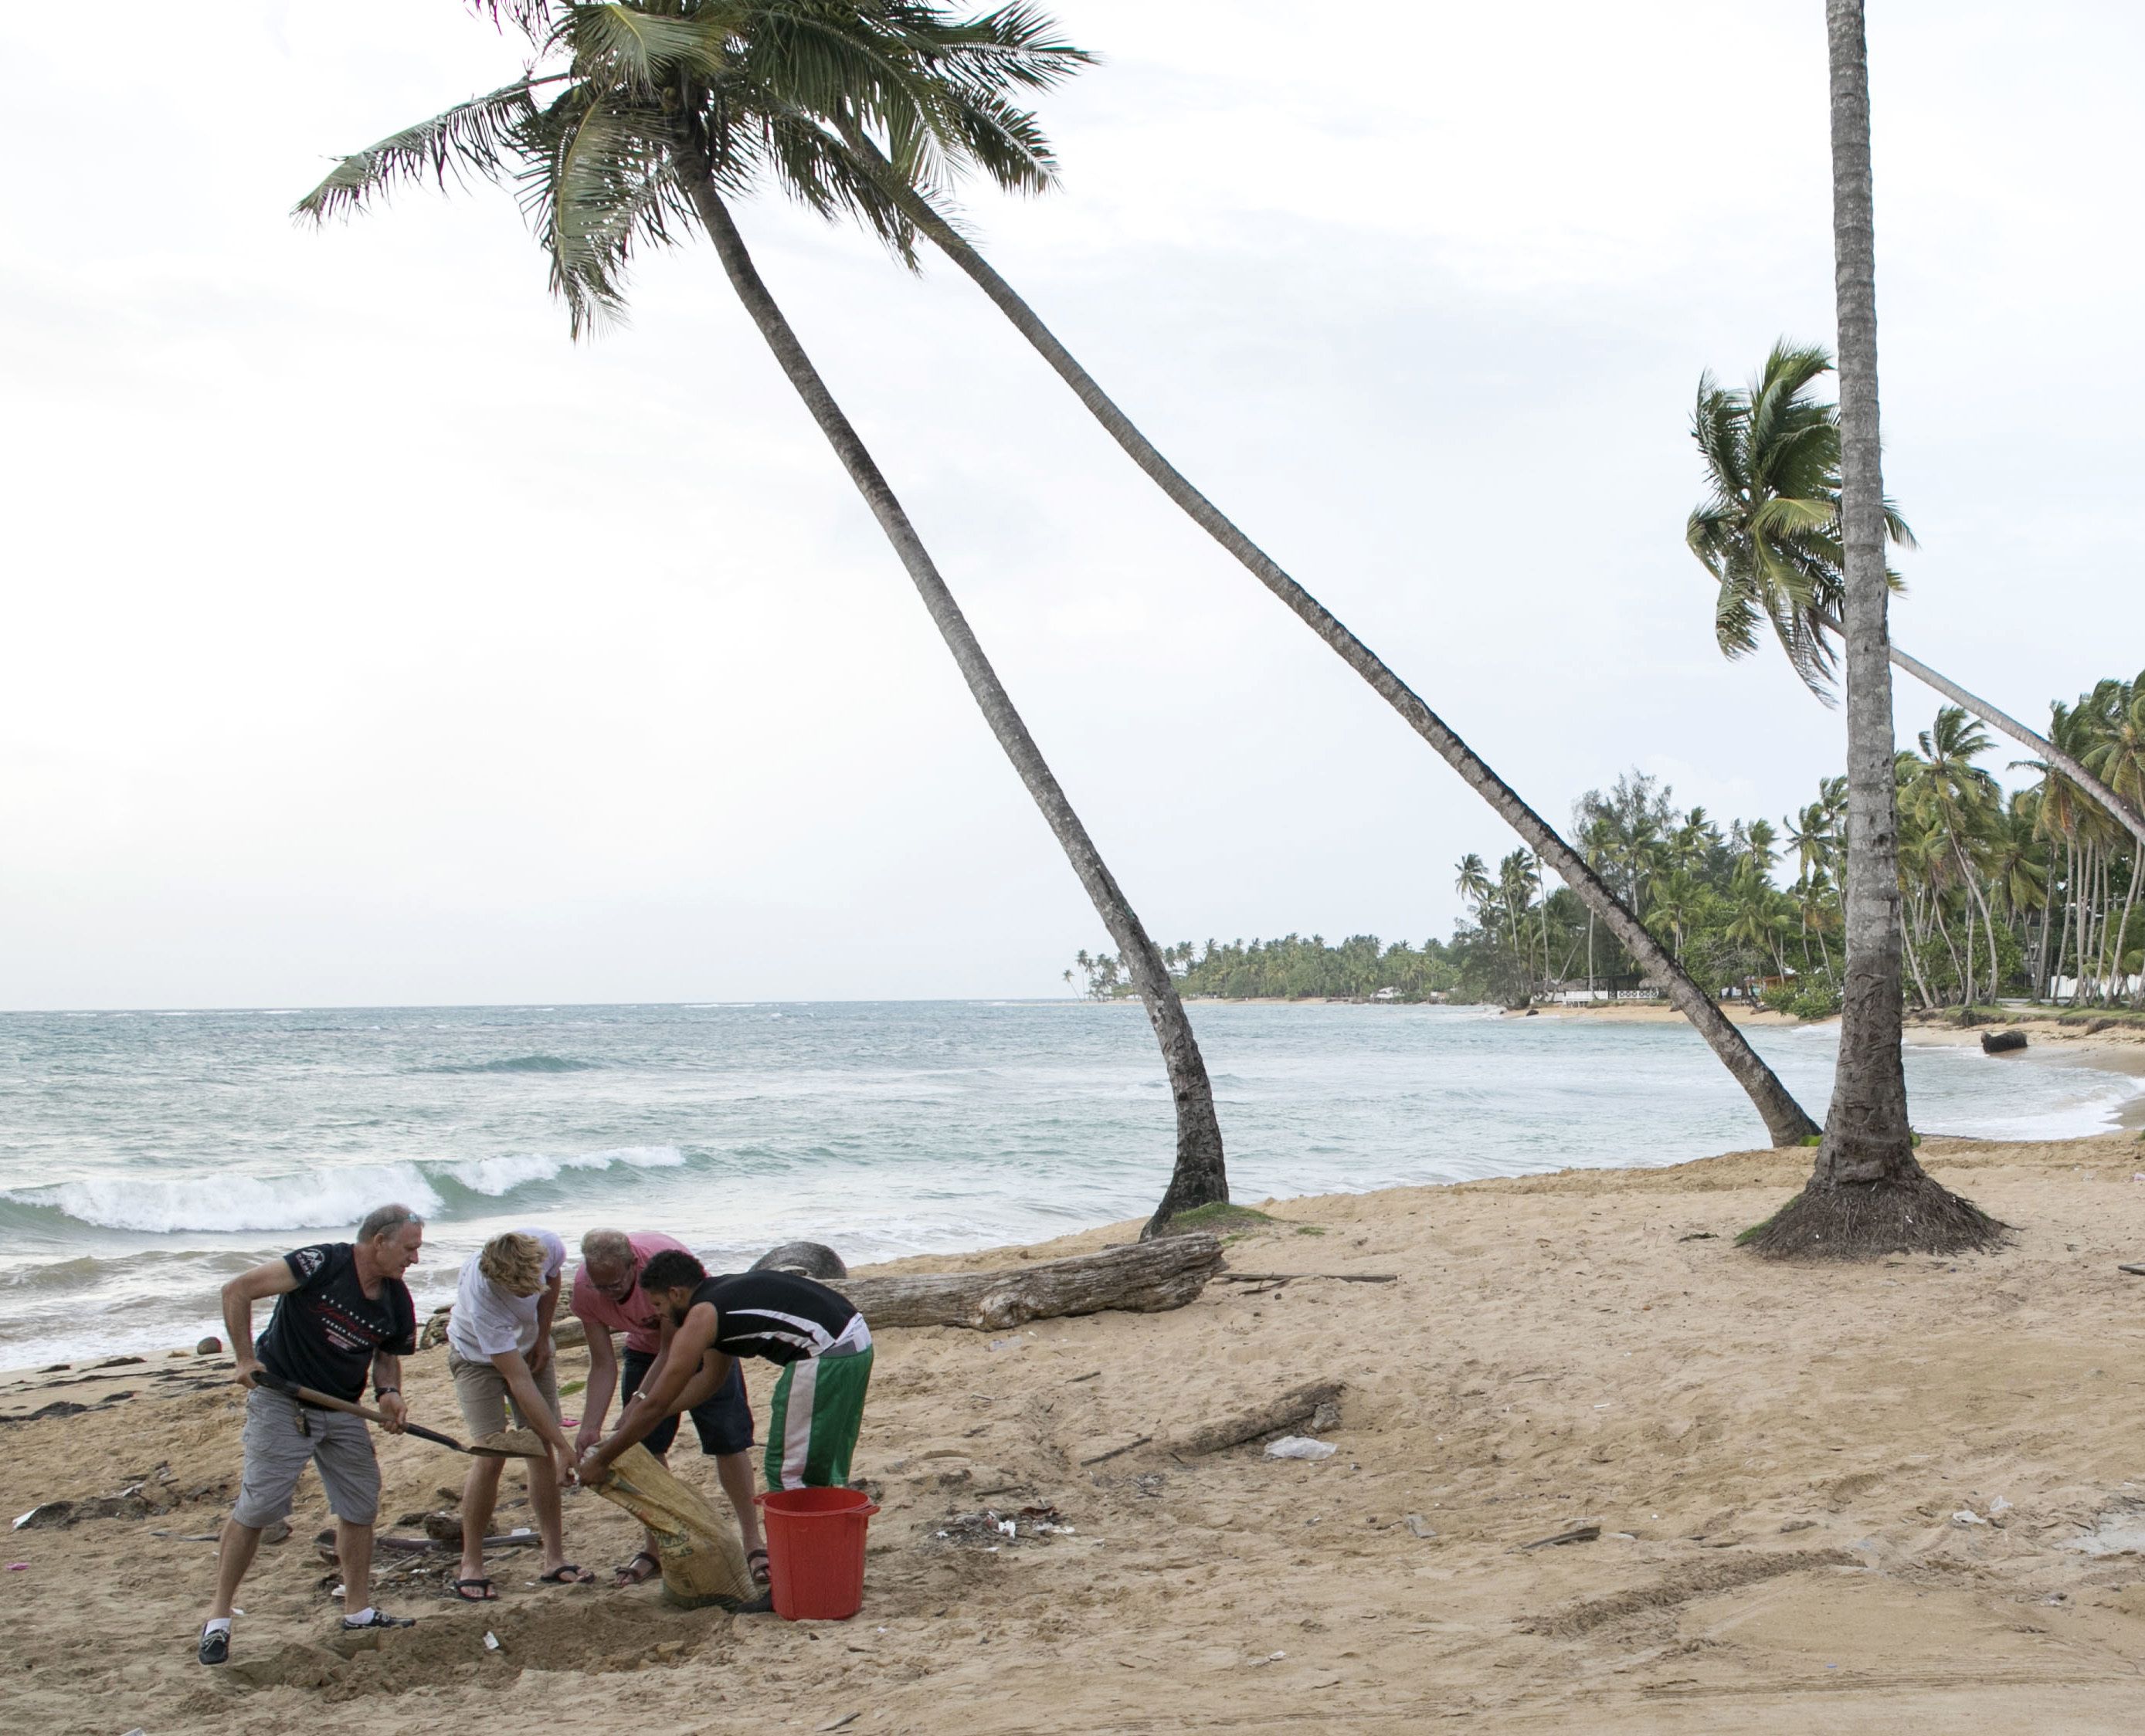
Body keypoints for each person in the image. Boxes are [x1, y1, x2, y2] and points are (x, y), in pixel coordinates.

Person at [198, 1203, 424, 1666]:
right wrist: (244, 1360)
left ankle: (357, 1611)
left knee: (360, 1504)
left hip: (341, 1408)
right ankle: (218, 1619)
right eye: (409, 1248)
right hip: (282, 1398)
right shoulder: (320, 1263)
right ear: (379, 1241)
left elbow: (385, 1355)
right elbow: (237, 1290)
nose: (414, 1259)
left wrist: (389, 1392)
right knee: (259, 1507)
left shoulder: (396, 1298)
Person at [579, 1251, 872, 1505]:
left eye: (658, 1305)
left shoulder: (700, 1317)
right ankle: (825, 1528)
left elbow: (657, 1401)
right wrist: (643, 1416)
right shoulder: (720, 1298)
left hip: (827, 1355)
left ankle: (804, 1552)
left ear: (675, 1294)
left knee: (788, 1472)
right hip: (856, 1343)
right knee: (819, 1458)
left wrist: (602, 1460)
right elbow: (709, 1381)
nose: (659, 1316)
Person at [572, 1229, 767, 1588]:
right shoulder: (587, 1288)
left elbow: (670, 1351)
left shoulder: (660, 1270)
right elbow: (602, 1363)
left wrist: (641, 1403)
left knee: (728, 1438)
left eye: (615, 1285)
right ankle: (655, 1547)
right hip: (643, 1352)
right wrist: (590, 1426)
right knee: (646, 1447)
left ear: (634, 1265)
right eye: (600, 1287)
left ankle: (753, 1541)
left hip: (703, 1340)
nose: (608, 1294)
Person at [444, 1229, 586, 1599]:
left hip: (527, 1345)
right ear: (498, 1281)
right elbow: (518, 1381)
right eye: (520, 1291)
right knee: (493, 1452)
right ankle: (471, 1562)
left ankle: (554, 1558)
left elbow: (552, 1281)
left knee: (539, 1448)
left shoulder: (547, 1245)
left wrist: (541, 1337)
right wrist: (564, 1445)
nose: (528, 1294)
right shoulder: (484, 1297)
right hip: (476, 1357)